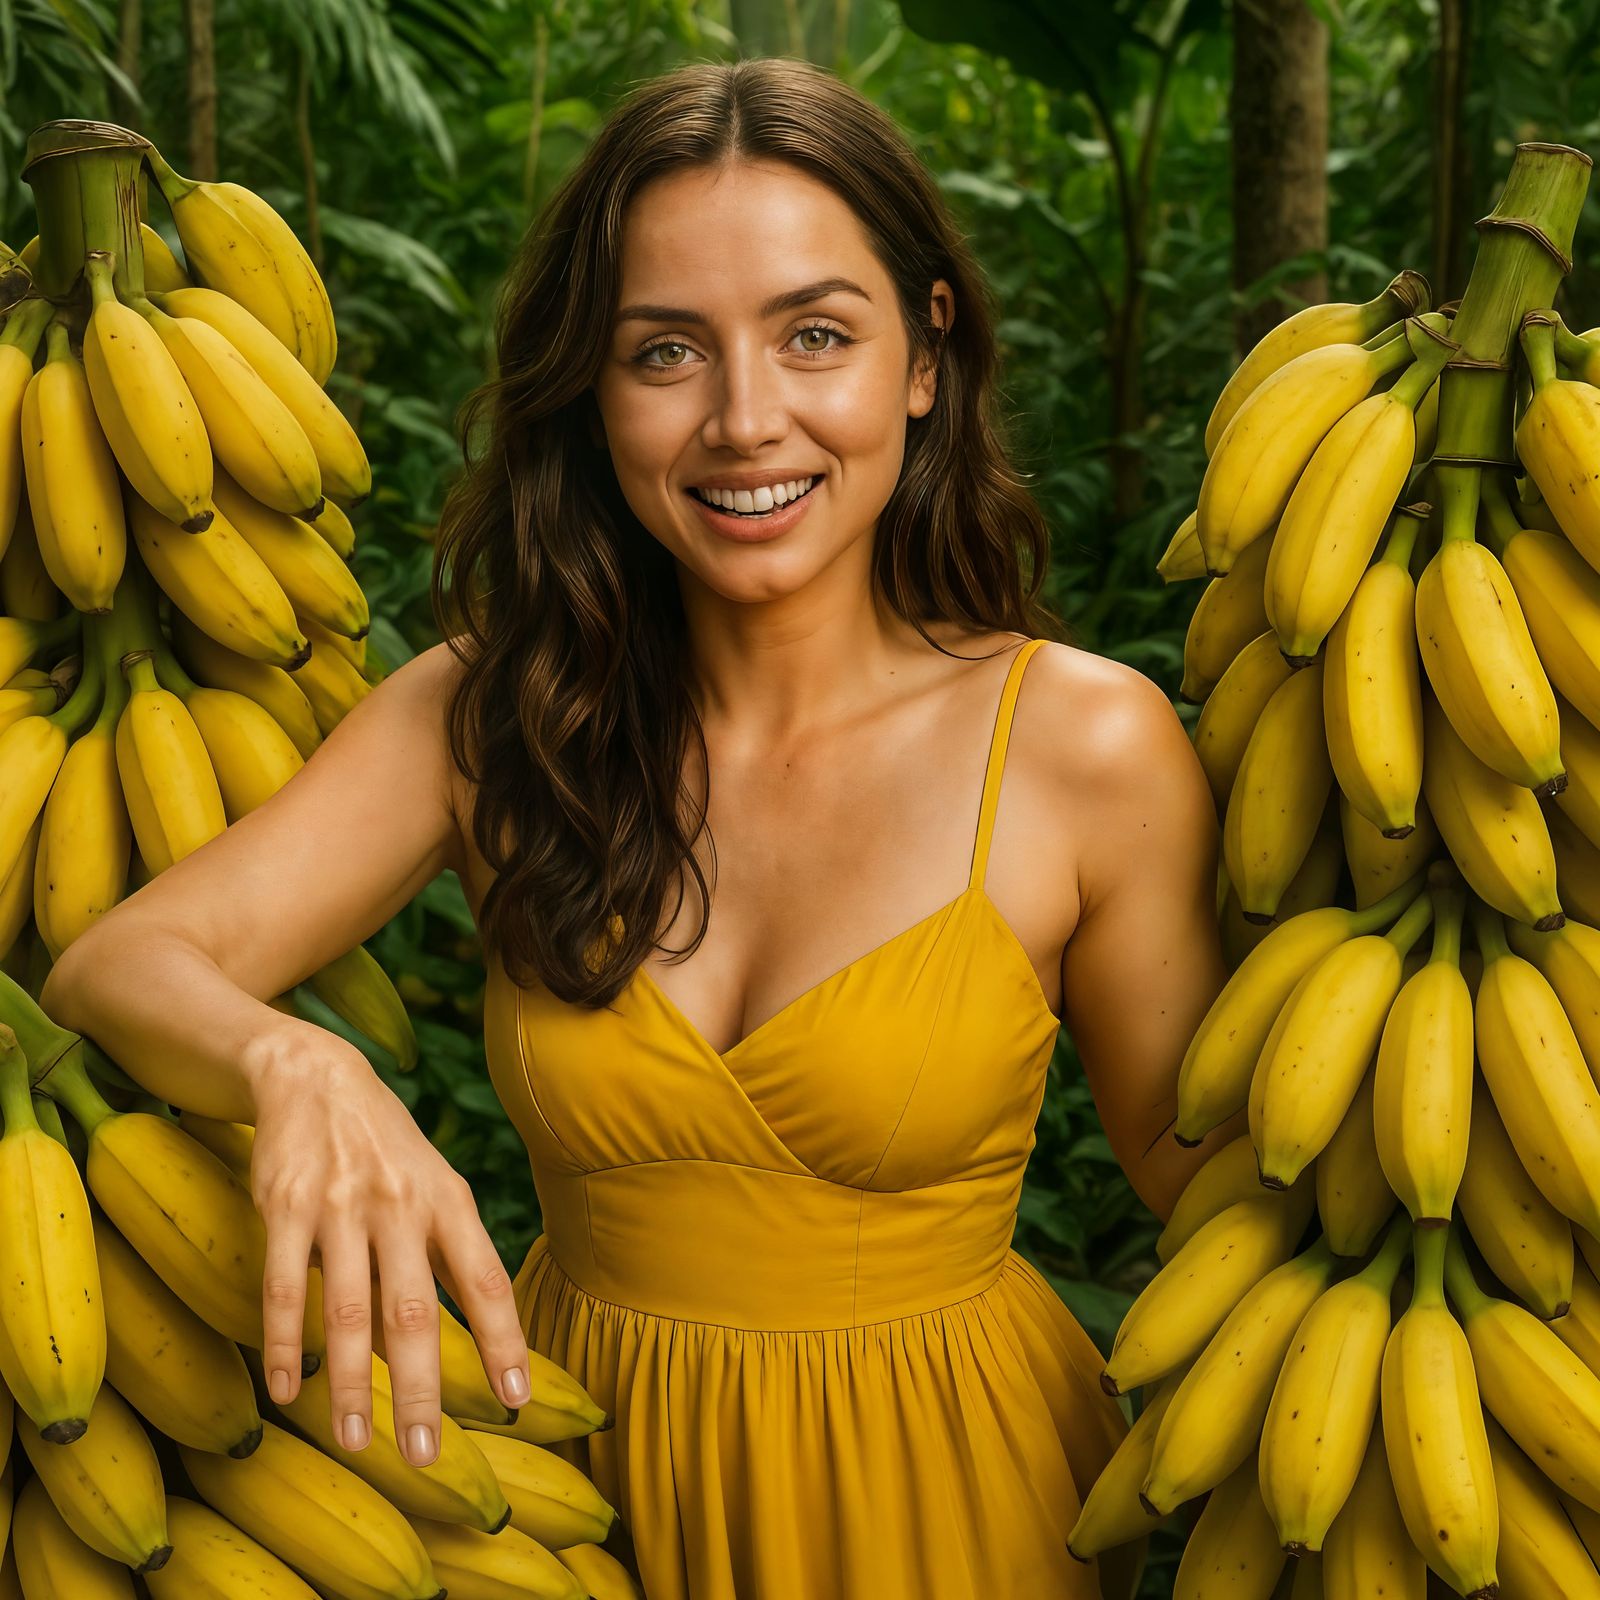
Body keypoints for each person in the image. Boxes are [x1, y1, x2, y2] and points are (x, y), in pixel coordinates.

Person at [41, 56, 1240, 1600]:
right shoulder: (491, 716)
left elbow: (1214, 1197)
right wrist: (297, 1062)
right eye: (666, 351)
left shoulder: (1083, 742)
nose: (747, 421)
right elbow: (120, 964)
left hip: (952, 1501)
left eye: (817, 336)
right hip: (579, 1489)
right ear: (592, 391)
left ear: (925, 357)